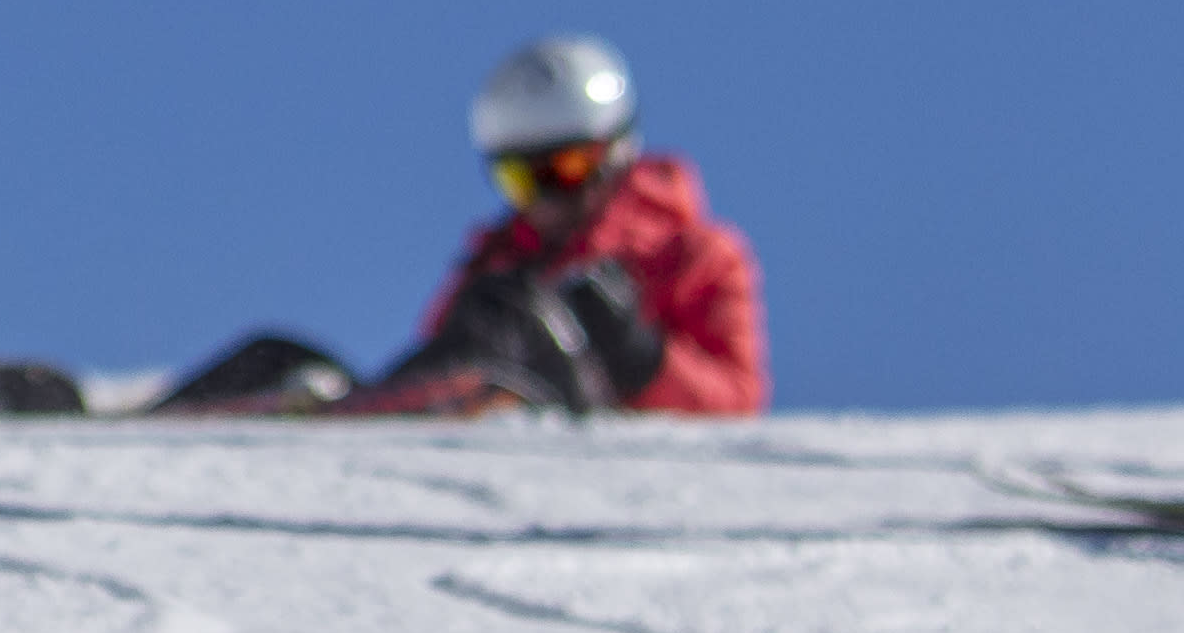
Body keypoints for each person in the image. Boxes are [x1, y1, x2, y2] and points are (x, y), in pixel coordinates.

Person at [155, 37, 769, 417]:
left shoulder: (698, 254)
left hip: (556, 422)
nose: (548, 197)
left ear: (616, 154)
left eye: (568, 168)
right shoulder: (498, 260)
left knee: (519, 316)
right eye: (523, 180)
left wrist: (643, 357)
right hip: (440, 399)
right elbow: (434, 350)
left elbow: (738, 396)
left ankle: (342, 416)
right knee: (275, 351)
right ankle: (143, 424)